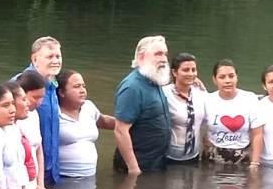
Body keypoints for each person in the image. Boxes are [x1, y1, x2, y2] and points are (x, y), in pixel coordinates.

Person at [113, 35, 173, 173]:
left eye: (165, 54)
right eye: (158, 54)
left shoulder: (154, 80)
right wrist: (133, 169)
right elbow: (120, 130)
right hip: (138, 165)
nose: (164, 58)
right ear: (141, 58)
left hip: (156, 162)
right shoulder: (132, 87)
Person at [19, 37, 63, 187]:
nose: (56, 60)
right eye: (50, 57)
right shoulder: (20, 86)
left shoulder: (52, 84)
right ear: (35, 59)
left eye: (58, 56)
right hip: (30, 175)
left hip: (50, 170)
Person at [57, 69, 115, 178]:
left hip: (89, 177)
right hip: (63, 178)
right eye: (76, 86)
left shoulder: (88, 107)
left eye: (83, 86)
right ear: (61, 92)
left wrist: (129, 123)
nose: (82, 90)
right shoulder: (53, 113)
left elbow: (104, 121)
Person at [203, 59, 262, 164]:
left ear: (237, 78)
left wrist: (255, 163)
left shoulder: (249, 98)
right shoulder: (207, 100)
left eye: (231, 76)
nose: (227, 81)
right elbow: (196, 126)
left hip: (243, 157)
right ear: (214, 80)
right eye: (222, 77)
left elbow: (257, 134)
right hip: (213, 157)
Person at [162, 53, 207, 165]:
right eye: (186, 70)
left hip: (194, 156)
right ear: (174, 72)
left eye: (193, 70)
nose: (191, 74)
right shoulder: (164, 93)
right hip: (168, 156)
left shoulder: (200, 93)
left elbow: (214, 112)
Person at [15, 71, 52, 189]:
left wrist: (40, 185)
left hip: (33, 187)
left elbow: (38, 150)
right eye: (35, 97)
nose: (39, 102)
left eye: (42, 97)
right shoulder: (14, 120)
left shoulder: (34, 114)